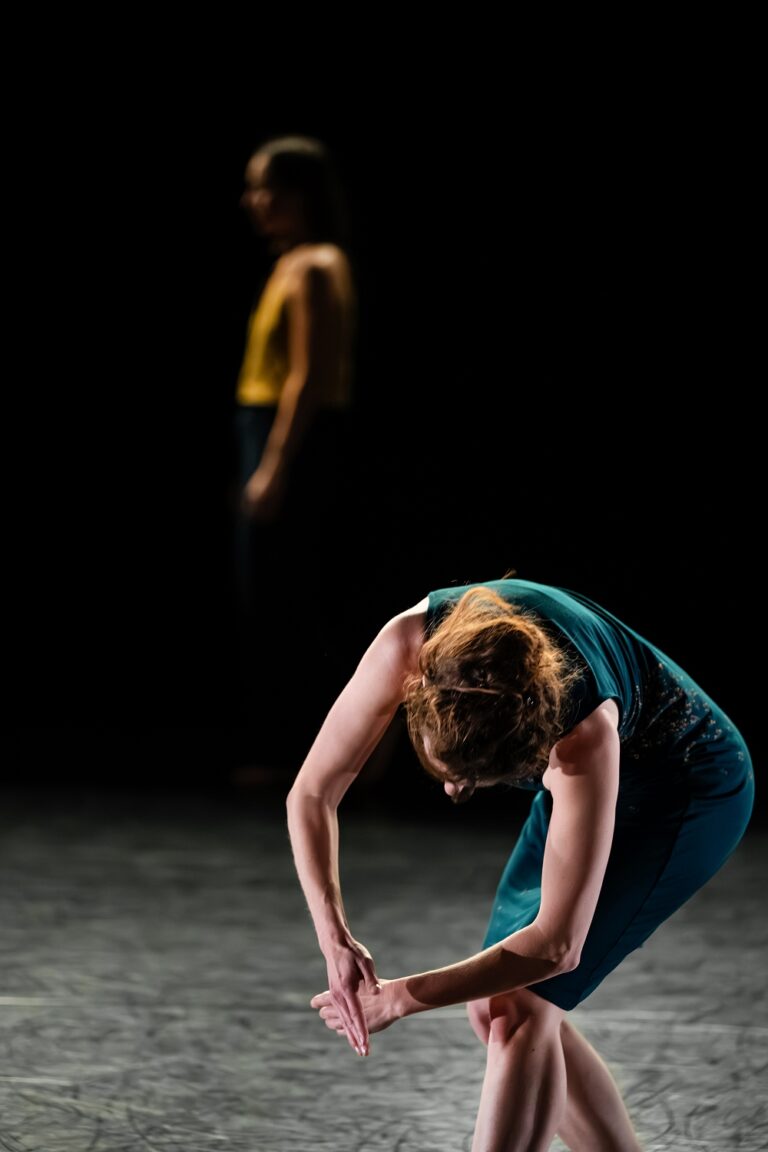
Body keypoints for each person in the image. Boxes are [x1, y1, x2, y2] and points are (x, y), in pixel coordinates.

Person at [286, 575, 754, 1151]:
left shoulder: (582, 738)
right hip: (588, 776)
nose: (456, 789)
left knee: (518, 1005)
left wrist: (399, 998)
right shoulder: (409, 641)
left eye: (474, 779)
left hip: (686, 789)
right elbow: (311, 794)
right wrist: (333, 938)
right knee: (492, 1009)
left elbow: (557, 947)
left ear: (529, 747)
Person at [232, 135, 357, 755]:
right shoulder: (289, 262)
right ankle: (282, 740)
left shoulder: (317, 265)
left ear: (301, 194)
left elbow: (309, 375)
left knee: (293, 595)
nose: (254, 200)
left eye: (266, 187)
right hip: (262, 425)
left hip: (297, 439)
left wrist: (274, 466)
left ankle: (311, 749)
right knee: (265, 595)